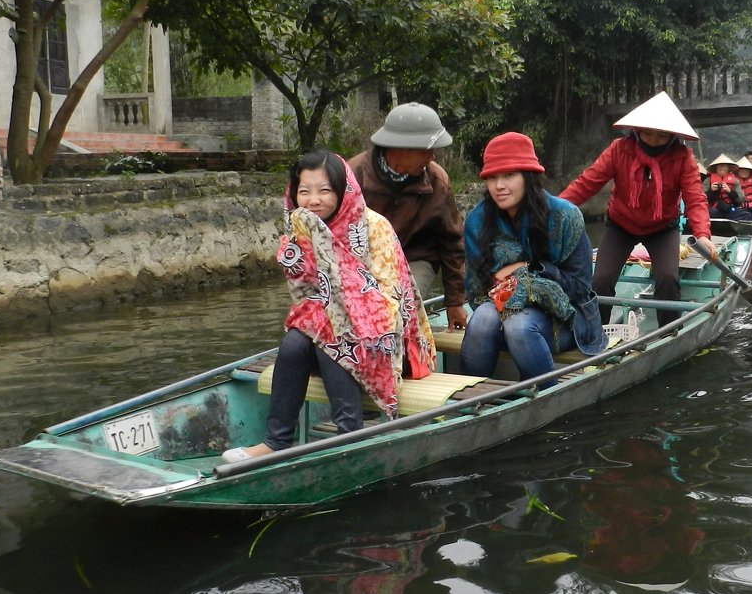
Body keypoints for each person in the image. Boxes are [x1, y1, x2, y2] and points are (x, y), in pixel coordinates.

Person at [223, 149, 436, 462]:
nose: (313, 200)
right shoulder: (301, 230)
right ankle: (276, 441)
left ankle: (349, 434)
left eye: (324, 190)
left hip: (385, 337)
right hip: (328, 331)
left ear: (342, 190)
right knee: (295, 342)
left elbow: (390, 299)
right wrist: (327, 313)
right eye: (304, 191)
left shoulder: (373, 228)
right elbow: (305, 298)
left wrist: (337, 314)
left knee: (330, 336)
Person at [460, 132, 607, 387]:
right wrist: (512, 296)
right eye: (492, 177)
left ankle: (543, 399)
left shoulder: (565, 217)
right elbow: (476, 292)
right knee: (482, 319)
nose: (499, 186)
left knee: (519, 325)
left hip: (567, 319)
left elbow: (581, 288)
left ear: (528, 177)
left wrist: (529, 272)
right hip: (502, 312)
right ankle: (469, 403)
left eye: (509, 175)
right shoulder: (476, 222)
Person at [558, 91, 714, 328]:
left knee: (668, 279)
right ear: (637, 130)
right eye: (648, 133)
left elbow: (695, 199)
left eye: (661, 135)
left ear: (672, 135)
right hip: (620, 224)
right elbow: (587, 183)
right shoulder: (619, 149)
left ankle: (670, 332)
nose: (653, 140)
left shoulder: (683, 158)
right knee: (600, 280)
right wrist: (555, 209)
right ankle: (596, 332)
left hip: (663, 227)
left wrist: (703, 235)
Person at [349, 102, 468, 331]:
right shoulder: (354, 176)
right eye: (425, 150)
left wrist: (454, 301)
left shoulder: (437, 182)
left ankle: (401, 360)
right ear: (399, 147)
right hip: (362, 263)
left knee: (399, 309)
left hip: (414, 257)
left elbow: (452, 244)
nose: (431, 157)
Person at [705, 153, 752, 220]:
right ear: (716, 167)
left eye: (724, 166)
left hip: (730, 209)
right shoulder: (708, 181)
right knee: (711, 212)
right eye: (720, 166)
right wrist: (711, 191)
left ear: (728, 168)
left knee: (747, 215)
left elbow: (740, 200)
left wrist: (730, 192)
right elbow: (702, 198)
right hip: (715, 210)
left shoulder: (735, 181)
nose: (722, 168)